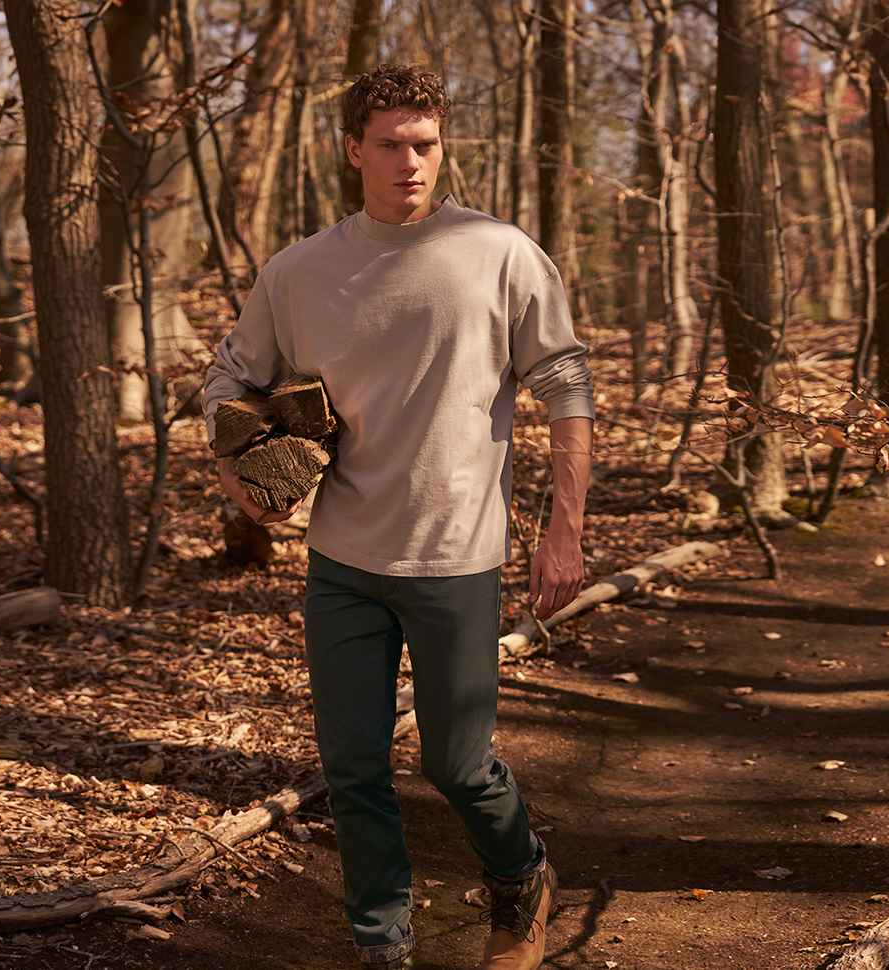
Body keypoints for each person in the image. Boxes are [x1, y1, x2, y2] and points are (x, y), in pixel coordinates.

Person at [203, 63, 595, 970]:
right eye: (389, 145)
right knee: (353, 769)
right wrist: (240, 482)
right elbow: (229, 378)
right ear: (353, 150)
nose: (410, 162)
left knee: (457, 766)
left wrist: (564, 529)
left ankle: (522, 876)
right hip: (343, 559)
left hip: (456, 556)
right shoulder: (299, 271)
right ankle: (382, 944)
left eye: (425, 144)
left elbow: (565, 383)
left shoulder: (498, 252)